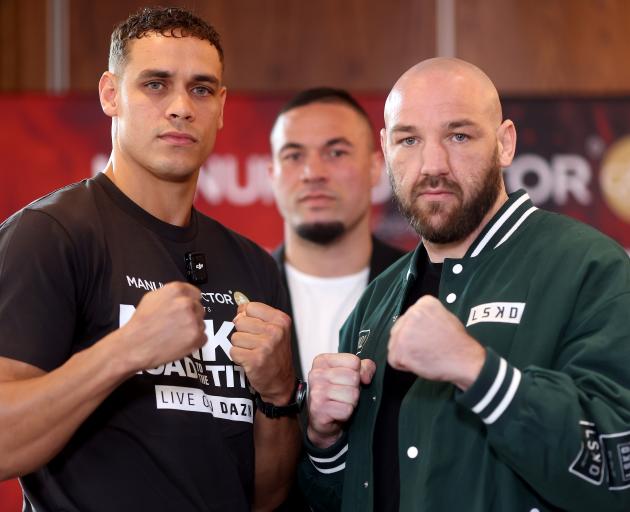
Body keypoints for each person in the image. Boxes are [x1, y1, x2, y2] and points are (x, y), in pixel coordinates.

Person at [0, 7, 301, 512]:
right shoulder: (50, 235)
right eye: (156, 85)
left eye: (202, 89)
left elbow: (266, 498)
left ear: (223, 107)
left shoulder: (253, 266)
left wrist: (277, 395)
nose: (181, 107)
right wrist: (126, 350)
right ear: (110, 94)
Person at [299, 57, 630, 512]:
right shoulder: (378, 298)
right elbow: (352, 493)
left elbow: (619, 472)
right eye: (409, 139)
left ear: (505, 144)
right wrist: (325, 441)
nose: (433, 164)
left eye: (459, 135)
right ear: (386, 148)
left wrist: (480, 372)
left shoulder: (588, 265)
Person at [268, 88, 405, 380]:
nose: (313, 172)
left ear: (374, 168)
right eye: (293, 155)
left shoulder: (421, 288)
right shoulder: (241, 291)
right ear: (272, 175)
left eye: (336, 152)